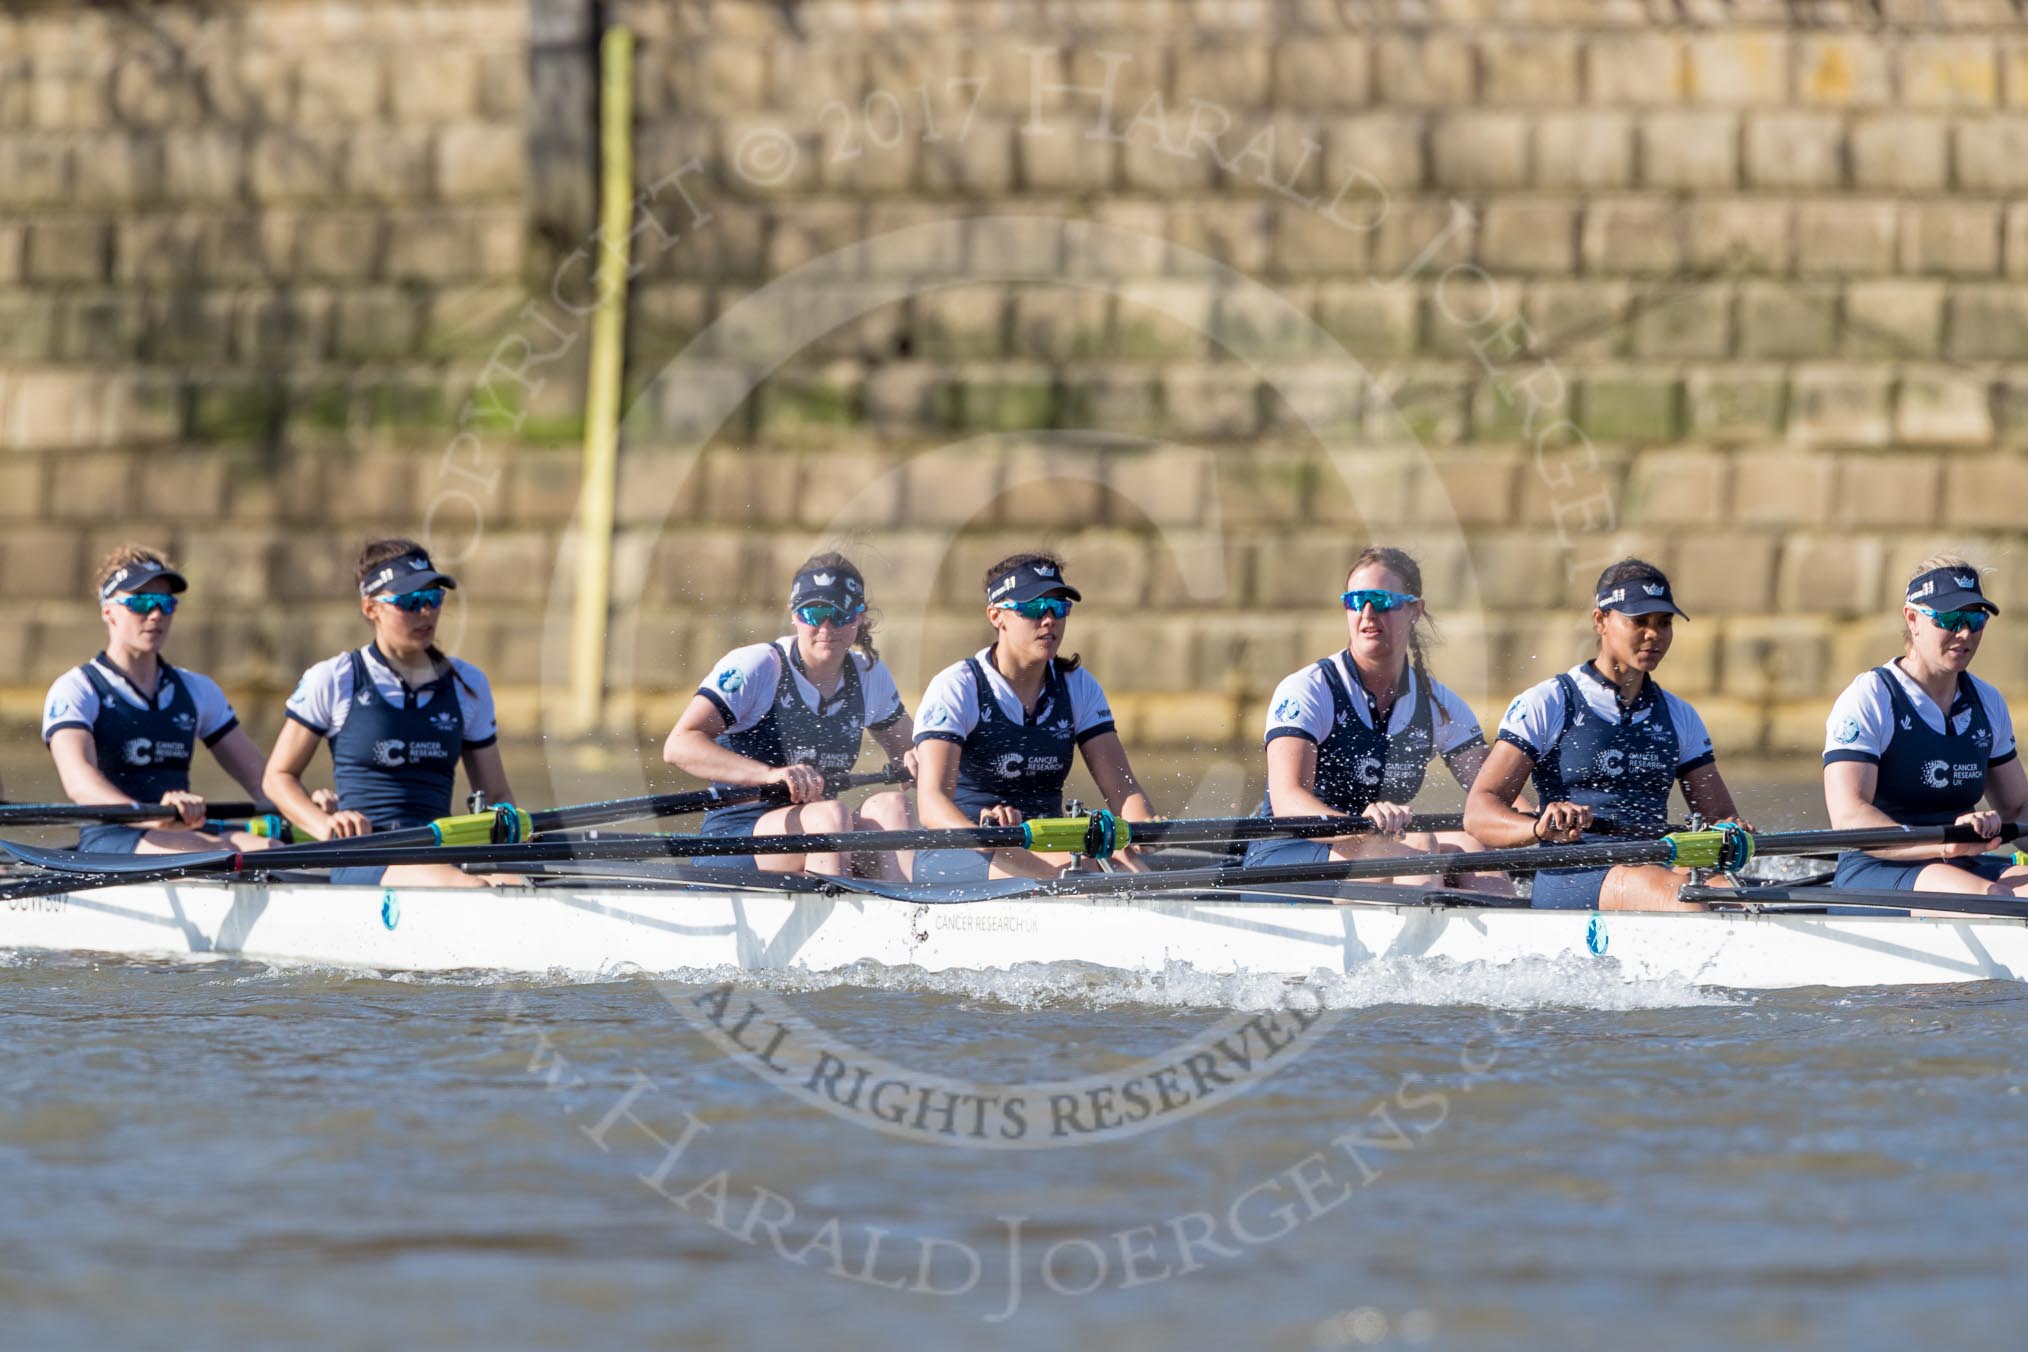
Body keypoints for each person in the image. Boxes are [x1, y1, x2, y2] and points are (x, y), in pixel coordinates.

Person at [1465, 558, 1751, 911]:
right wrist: (1538, 828)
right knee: (1684, 898)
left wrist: (1732, 830)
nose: (1654, 635)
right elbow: (1479, 813)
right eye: (1639, 621)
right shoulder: (1549, 702)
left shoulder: (1680, 715)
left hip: (1652, 868)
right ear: (1600, 620)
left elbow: (1718, 819)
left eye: (1664, 623)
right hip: (1572, 872)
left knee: (1739, 899)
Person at [1246, 545, 1506, 891]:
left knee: (1471, 846)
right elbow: (1288, 801)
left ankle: (1503, 943)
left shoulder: (1438, 705)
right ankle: (1416, 943)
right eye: (1355, 601)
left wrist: (1545, 823)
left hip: (1375, 847)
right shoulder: (1310, 690)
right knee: (1418, 844)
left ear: (1414, 610)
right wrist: (1359, 825)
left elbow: (1493, 796)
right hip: (1290, 851)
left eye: (1381, 601)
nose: (1367, 613)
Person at [263, 539, 515, 888]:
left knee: (517, 884)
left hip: (440, 852)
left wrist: (513, 836)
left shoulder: (467, 684)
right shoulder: (336, 679)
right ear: (371, 608)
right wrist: (323, 826)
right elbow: (277, 777)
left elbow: (497, 796)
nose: (426, 613)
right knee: (473, 890)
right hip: (364, 855)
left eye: (433, 599)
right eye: (410, 602)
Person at [663, 553, 916, 879]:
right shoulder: (758, 667)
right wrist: (769, 775)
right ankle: (832, 922)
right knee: (830, 818)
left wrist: (918, 761)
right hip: (736, 839)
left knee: (893, 809)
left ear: (859, 617)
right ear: (794, 614)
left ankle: (910, 922)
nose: (826, 627)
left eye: (839, 615)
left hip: (820, 838)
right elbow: (679, 745)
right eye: (814, 613)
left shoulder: (870, 675)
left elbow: (913, 755)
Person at [912, 552, 1156, 881]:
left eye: (1059, 608)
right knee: (1090, 870)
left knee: (1125, 862)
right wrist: (987, 836)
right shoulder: (957, 687)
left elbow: (1124, 792)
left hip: (1049, 844)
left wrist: (1143, 831)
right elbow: (931, 805)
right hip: (962, 850)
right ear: (996, 615)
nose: (1049, 620)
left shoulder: (1077, 686)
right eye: (1033, 608)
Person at [43, 546, 277, 854]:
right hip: (111, 839)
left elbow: (262, 780)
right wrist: (151, 816)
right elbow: (79, 783)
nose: (155, 614)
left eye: (166, 604)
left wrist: (305, 806)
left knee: (275, 849)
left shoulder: (197, 690)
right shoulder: (77, 689)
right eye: (141, 602)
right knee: (225, 855)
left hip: (184, 832)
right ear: (108, 611)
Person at [1822, 555, 2028, 898]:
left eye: (1976, 619)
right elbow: (1849, 817)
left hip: (1961, 863)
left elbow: (2018, 809)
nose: (1965, 632)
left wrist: (1958, 844)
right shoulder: (1871, 696)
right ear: (1913, 619)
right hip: (1876, 868)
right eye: (1950, 618)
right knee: (1996, 899)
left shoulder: (1986, 701)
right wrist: (1944, 843)